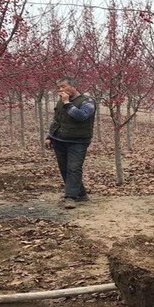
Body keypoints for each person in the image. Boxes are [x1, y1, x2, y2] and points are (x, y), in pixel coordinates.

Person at [44, 77, 96, 209]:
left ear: (73, 86)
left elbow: (81, 116)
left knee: (74, 168)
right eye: (59, 88)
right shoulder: (61, 102)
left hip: (78, 141)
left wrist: (67, 103)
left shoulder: (87, 101)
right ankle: (81, 194)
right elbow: (57, 120)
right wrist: (50, 136)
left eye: (63, 86)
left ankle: (70, 197)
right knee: (65, 169)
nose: (61, 90)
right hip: (60, 140)